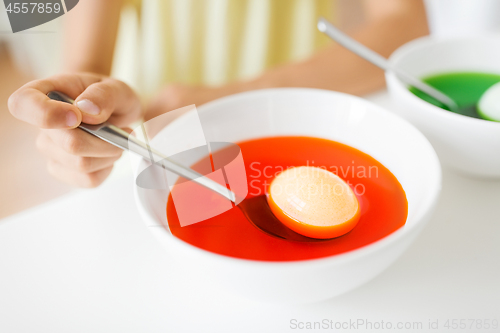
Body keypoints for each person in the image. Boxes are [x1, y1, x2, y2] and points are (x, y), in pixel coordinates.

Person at [8, 0, 428, 188]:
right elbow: (82, 70)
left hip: (290, 131)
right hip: (151, 143)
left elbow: (406, 26)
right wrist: (79, 124)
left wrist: (239, 97)